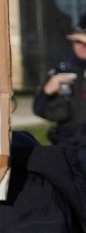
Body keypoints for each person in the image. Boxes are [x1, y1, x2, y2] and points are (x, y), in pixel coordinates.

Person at [30, 19, 86, 150]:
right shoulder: (62, 70)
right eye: (78, 41)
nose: (82, 47)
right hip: (67, 145)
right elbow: (39, 109)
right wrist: (47, 91)